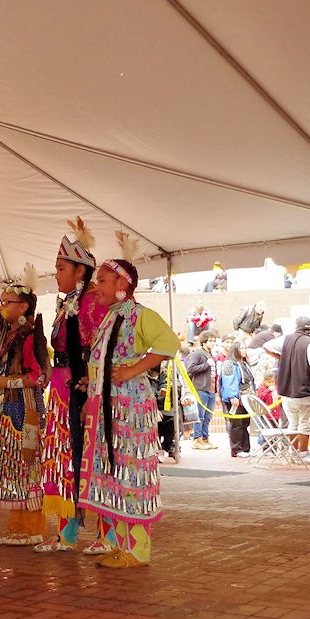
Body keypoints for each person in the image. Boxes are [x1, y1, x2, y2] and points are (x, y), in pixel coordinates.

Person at [78, 238, 180, 568]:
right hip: (106, 406)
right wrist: (91, 392)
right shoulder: (109, 317)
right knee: (113, 474)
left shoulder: (139, 316)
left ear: (124, 283)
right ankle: (121, 545)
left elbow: (169, 344)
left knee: (129, 474)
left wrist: (131, 370)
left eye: (103, 281)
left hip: (128, 409)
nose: (98, 287)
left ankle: (137, 550)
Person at [38, 218, 112, 554]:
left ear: (80, 271)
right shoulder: (67, 302)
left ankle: (107, 534)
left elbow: (104, 347)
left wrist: (90, 384)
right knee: (64, 458)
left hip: (85, 390)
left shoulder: (94, 301)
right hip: (61, 388)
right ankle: (66, 533)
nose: (56, 274)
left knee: (92, 456)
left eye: (61, 268)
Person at [0, 267, 50, 547]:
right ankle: (16, 526)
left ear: (23, 306)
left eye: (6, 302)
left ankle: (33, 528)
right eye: (0, 302)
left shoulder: (30, 336)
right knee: (11, 467)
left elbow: (40, 377)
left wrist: (6, 382)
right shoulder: (4, 335)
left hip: (26, 409)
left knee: (27, 463)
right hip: (4, 409)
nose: (1, 307)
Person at [264, 316, 310, 453]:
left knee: (293, 423)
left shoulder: (286, 339)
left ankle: (294, 452)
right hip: (306, 390)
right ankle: (302, 452)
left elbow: (266, 346)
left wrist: (282, 357)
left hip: (287, 391)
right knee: (304, 424)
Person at [184, 332, 218, 450]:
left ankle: (205, 438)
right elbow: (190, 368)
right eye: (210, 341)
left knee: (208, 416)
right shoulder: (198, 353)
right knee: (200, 416)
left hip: (211, 390)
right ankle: (197, 439)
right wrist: (205, 365)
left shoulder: (210, 354)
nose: (213, 343)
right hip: (201, 388)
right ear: (204, 341)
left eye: (214, 341)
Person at [220, 341, 254, 458]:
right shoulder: (230, 364)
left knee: (245, 423)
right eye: (242, 348)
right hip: (235, 398)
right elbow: (228, 381)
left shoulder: (244, 363)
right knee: (236, 424)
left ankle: (246, 447)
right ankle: (236, 449)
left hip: (246, 398)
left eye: (245, 348)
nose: (244, 350)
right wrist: (232, 396)